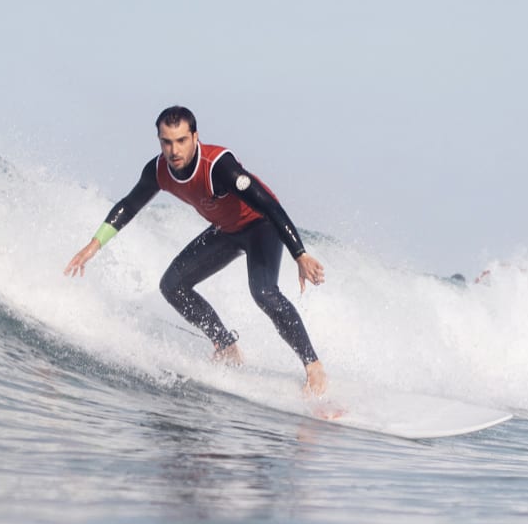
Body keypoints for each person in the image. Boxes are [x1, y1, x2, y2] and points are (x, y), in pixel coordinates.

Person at [63, 105, 329, 396]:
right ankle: (225, 345)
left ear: (195, 137)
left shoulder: (219, 166)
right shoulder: (158, 171)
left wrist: (299, 254)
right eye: (166, 141)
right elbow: (129, 205)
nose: (173, 150)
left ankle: (313, 366)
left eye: (181, 140)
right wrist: (93, 244)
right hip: (226, 231)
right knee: (172, 285)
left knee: (263, 292)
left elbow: (269, 204)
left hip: (261, 227)